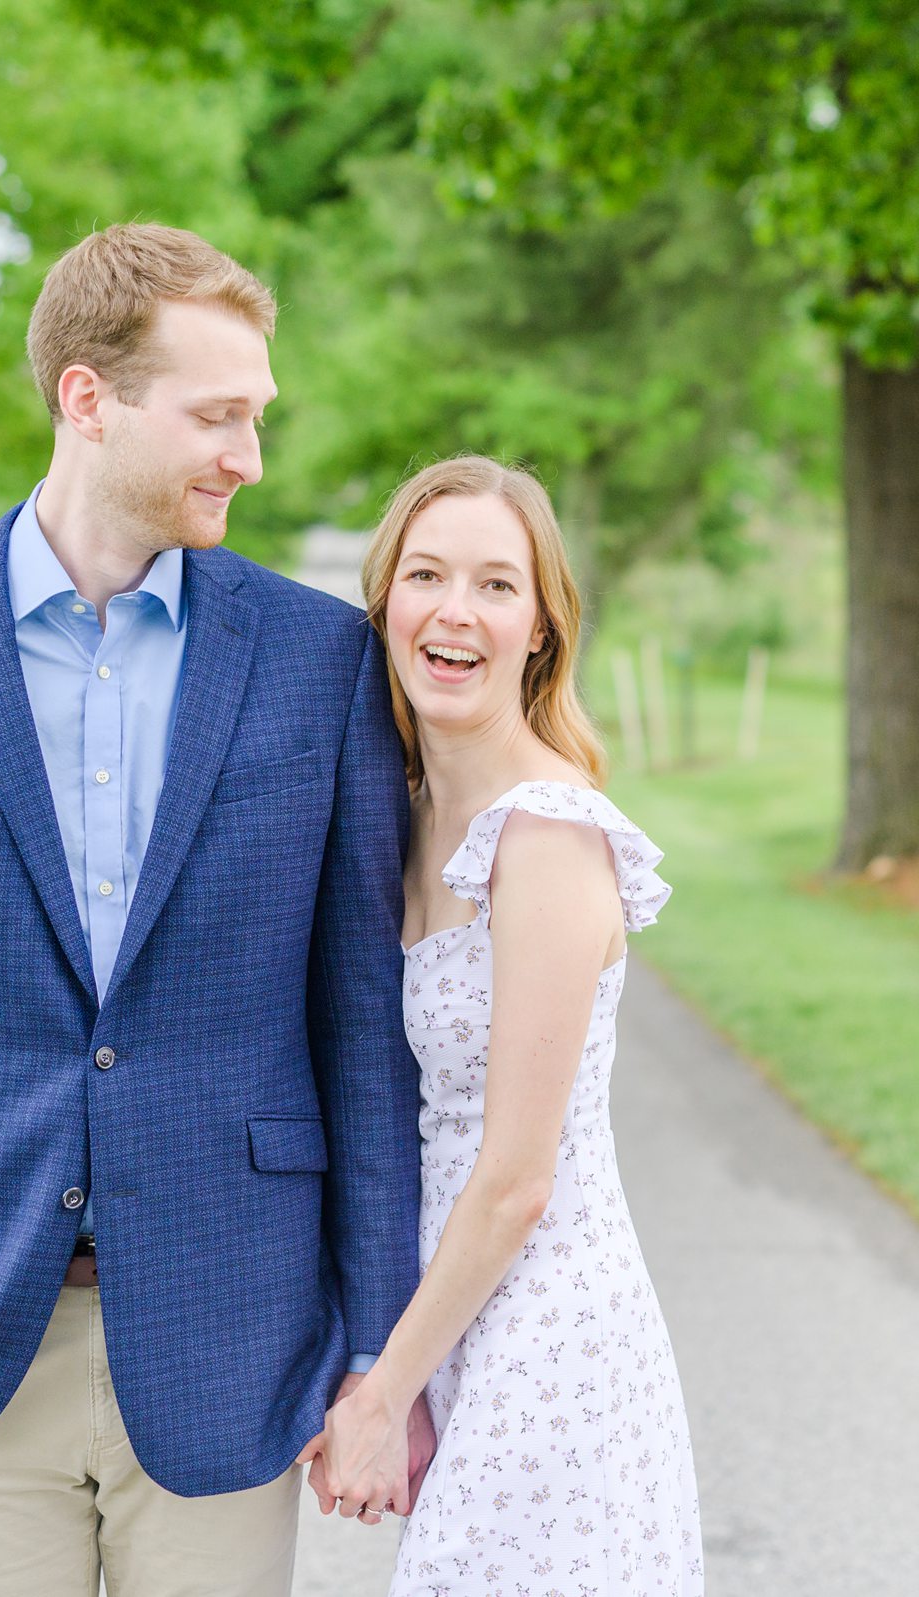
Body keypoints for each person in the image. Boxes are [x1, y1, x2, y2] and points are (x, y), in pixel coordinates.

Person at [0, 221, 431, 1597]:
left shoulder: (319, 661)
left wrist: (375, 1339)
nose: (249, 455)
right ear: (88, 397)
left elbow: (361, 1024)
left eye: (258, 416)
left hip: (237, 1328)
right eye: (219, 415)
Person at [300, 456, 705, 1593]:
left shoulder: (548, 838)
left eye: (495, 585)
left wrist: (379, 1398)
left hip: (548, 1339)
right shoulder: (414, 813)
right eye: (427, 575)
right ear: (386, 605)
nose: (456, 612)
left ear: (540, 628)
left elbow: (519, 1177)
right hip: (456, 1322)